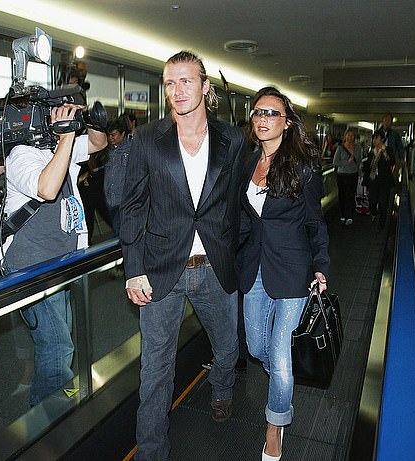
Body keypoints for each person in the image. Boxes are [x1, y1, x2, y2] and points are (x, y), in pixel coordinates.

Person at [120, 50, 247, 460]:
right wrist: (133, 269)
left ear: (205, 87)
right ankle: (152, 452)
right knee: (155, 368)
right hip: (161, 270)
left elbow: (239, 203)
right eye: (170, 83)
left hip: (214, 267)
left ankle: (222, 388)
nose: (177, 91)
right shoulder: (147, 140)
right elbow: (133, 206)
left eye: (186, 81)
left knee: (227, 347)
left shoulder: (233, 140)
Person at [237, 86, 329, 461]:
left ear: (287, 122)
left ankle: (275, 428)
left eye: (272, 113)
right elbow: (242, 217)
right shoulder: (246, 162)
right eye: (258, 112)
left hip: (293, 270)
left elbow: (316, 222)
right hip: (253, 267)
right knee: (257, 348)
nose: (263, 119)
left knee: (280, 357)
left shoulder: (304, 166)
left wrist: (321, 267)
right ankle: (281, 379)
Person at [1, 103, 107, 407]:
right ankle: (48, 419)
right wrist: (65, 137)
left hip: (60, 261)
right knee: (58, 345)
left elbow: (98, 144)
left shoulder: (61, 147)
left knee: (58, 340)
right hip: (30, 266)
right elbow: (47, 189)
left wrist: (93, 122)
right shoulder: (21, 154)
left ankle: (53, 403)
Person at [103, 117, 131, 236]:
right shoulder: (105, 150)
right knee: (117, 231)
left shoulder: (132, 149)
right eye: (109, 135)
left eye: (114, 135)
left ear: (122, 133)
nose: (111, 138)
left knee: (119, 233)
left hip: (124, 200)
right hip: (110, 199)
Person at [362, 131, 395, 229]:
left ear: (382, 139)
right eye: (374, 138)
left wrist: (385, 154)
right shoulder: (372, 151)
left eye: (377, 138)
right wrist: (364, 166)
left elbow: (392, 162)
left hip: (384, 181)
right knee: (372, 201)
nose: (374, 140)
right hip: (373, 180)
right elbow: (368, 165)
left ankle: (382, 223)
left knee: (383, 202)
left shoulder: (388, 150)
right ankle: (374, 212)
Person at [333, 128, 362, 225]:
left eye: (352, 135)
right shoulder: (340, 148)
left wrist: (360, 171)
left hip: (353, 174)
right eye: (348, 135)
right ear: (345, 136)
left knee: (350, 194)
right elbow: (335, 162)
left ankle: (349, 215)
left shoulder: (358, 147)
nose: (350, 137)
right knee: (342, 195)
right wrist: (347, 162)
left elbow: (359, 161)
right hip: (342, 175)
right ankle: (343, 214)